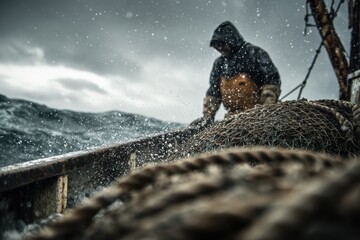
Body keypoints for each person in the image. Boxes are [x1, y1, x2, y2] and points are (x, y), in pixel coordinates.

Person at [192, 21, 281, 127]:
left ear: (231, 41)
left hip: (258, 118)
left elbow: (271, 82)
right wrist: (208, 117)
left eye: (222, 44)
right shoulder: (219, 64)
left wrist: (266, 111)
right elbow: (213, 93)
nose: (220, 48)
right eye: (217, 46)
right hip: (232, 120)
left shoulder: (255, 54)